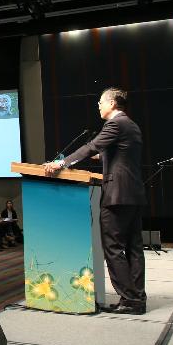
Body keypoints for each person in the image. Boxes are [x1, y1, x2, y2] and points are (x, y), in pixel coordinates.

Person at [44, 87, 146, 315]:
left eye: (100, 102)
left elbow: (92, 146)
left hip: (117, 195)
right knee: (134, 248)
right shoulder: (131, 124)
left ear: (112, 103)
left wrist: (62, 163)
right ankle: (137, 298)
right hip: (133, 194)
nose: (98, 106)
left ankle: (130, 300)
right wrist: (90, 156)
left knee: (113, 247)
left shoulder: (115, 124)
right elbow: (111, 153)